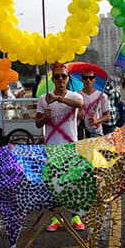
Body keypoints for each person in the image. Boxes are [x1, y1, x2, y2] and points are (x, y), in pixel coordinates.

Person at [36, 63, 84, 232]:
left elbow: (80, 104)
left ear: (67, 78)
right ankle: (56, 218)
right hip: (51, 148)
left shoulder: (74, 96)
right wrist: (45, 118)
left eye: (63, 76)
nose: (60, 79)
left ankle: (75, 216)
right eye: (57, 76)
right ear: (52, 79)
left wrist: (59, 99)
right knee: (54, 185)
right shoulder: (43, 99)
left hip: (70, 146)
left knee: (72, 183)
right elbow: (37, 123)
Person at [78, 70, 110, 138]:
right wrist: (78, 115)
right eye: (85, 78)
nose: (88, 80)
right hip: (81, 133)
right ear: (82, 80)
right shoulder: (77, 96)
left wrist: (97, 121)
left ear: (94, 80)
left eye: (91, 78)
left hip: (97, 132)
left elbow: (107, 116)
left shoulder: (102, 96)